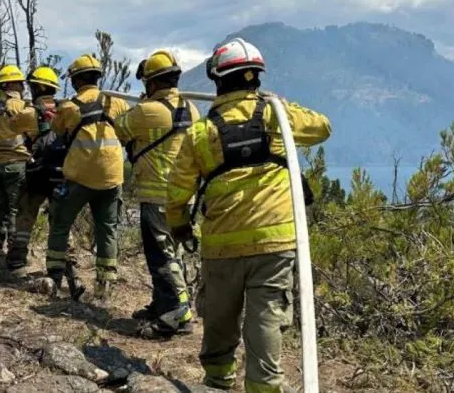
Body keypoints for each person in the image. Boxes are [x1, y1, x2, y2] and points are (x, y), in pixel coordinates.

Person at [165, 38, 332, 392]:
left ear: (217, 80)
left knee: (220, 319)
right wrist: (284, 107)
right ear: (256, 77)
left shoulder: (201, 133)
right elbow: (322, 127)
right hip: (275, 243)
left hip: (221, 246)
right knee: (266, 321)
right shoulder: (277, 117)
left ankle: (218, 381)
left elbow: (176, 192)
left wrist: (179, 228)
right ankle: (264, 386)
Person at [114, 50, 199, 338]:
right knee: (174, 254)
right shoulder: (192, 108)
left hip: (157, 195)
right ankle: (166, 304)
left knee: (161, 257)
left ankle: (173, 317)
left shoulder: (147, 111)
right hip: (184, 196)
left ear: (151, 83)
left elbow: (119, 128)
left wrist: (140, 106)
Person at [46, 54, 130, 302]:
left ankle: (55, 277)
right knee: (107, 230)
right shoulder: (116, 103)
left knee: (60, 223)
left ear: (78, 79)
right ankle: (105, 285)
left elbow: (56, 132)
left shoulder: (71, 106)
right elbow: (126, 132)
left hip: (80, 177)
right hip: (112, 176)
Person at [6, 66, 65, 279]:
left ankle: (16, 261)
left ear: (38, 87)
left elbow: (12, 125)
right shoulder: (66, 109)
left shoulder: (30, 112)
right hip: (61, 174)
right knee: (60, 221)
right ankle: (61, 267)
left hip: (37, 171)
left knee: (25, 215)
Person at [0, 65, 37, 269]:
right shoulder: (20, 107)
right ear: (12, 84)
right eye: (20, 82)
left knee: (0, 209)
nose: (23, 86)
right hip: (15, 166)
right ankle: (15, 256)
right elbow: (33, 131)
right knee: (16, 210)